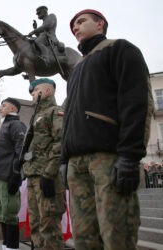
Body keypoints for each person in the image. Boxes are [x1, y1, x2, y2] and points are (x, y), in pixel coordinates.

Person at [61, 9, 154, 249]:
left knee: (116, 235)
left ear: (100, 24)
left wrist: (130, 156)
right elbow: (70, 117)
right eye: (73, 27)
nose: (76, 28)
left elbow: (137, 103)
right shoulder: (76, 70)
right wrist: (64, 159)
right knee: (83, 238)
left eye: (81, 22)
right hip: (77, 165)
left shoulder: (119, 49)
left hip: (108, 160)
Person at [23, 78, 66, 249]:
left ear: (48, 91)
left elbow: (60, 142)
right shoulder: (36, 117)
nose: (32, 93)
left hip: (47, 175)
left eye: (36, 90)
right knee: (35, 223)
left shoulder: (55, 112)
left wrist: (49, 173)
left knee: (49, 224)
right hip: (33, 174)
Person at [0, 98, 27, 250]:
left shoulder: (16, 125)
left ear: (13, 109)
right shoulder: (5, 125)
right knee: (2, 213)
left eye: (4, 105)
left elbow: (21, 150)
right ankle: (6, 245)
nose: (1, 108)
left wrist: (16, 175)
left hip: (8, 176)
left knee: (10, 213)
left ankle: (12, 247)